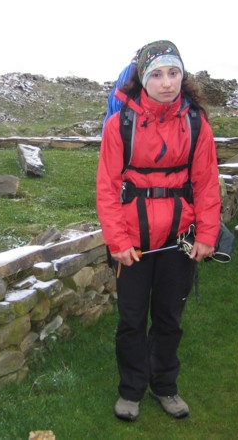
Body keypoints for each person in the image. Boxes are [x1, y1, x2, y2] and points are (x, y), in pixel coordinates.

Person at [96, 40, 221, 422]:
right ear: (142, 78)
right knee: (131, 321)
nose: (166, 83)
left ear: (183, 77)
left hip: (179, 242)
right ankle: (130, 391)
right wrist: (117, 242)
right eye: (157, 74)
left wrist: (206, 236)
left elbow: (206, 183)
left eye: (173, 73)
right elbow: (106, 186)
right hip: (132, 245)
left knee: (169, 318)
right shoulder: (120, 125)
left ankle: (164, 386)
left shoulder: (196, 123)